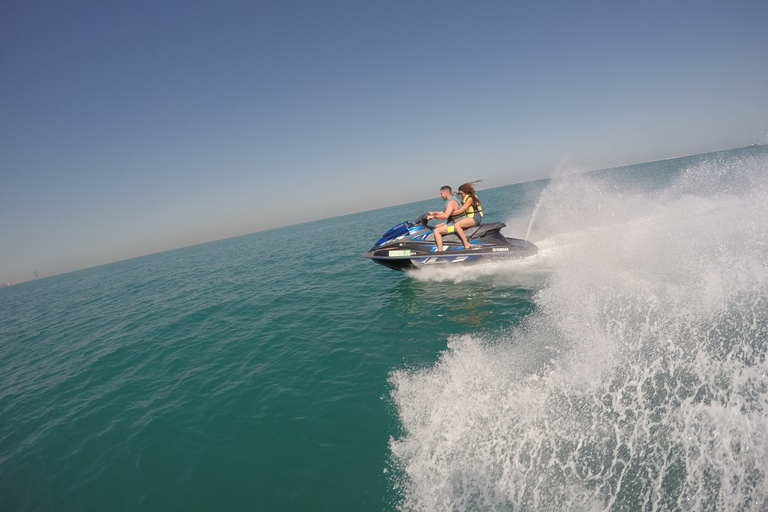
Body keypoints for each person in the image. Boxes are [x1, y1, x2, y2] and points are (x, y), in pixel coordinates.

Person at [432, 182, 483, 251]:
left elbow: (460, 211)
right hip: (469, 217)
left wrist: (447, 214)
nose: (460, 195)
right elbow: (446, 212)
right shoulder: (463, 198)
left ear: (465, 192)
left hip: (475, 218)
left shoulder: (470, 199)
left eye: (461, 193)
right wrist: (433, 213)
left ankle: (466, 244)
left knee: (457, 225)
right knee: (437, 226)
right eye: (458, 194)